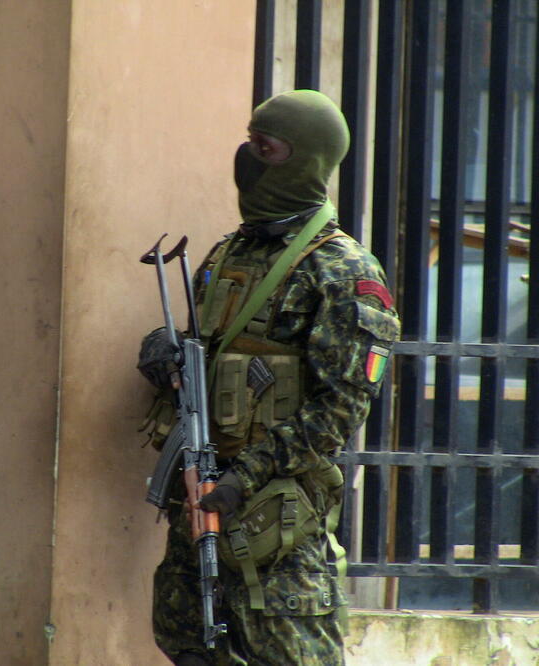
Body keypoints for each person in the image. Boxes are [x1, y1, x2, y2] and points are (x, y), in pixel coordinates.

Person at [138, 90, 400, 665]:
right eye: (247, 141)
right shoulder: (226, 252)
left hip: (274, 513)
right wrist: (167, 355)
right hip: (199, 493)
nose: (246, 158)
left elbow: (341, 410)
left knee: (286, 651)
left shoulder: (343, 271)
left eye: (265, 147)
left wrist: (243, 478)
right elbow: (205, 358)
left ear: (304, 159)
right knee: (188, 640)